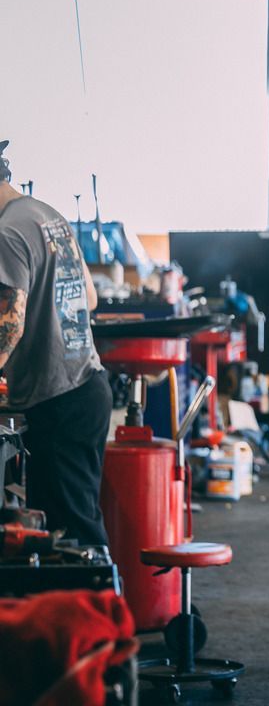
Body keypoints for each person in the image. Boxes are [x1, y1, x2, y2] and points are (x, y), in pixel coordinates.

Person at [0, 140, 111, 546]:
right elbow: (91, 297)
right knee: (64, 534)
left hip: (61, 402)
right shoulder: (47, 215)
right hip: (85, 390)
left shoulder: (7, 232)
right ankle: (87, 607)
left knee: (76, 536)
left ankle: (105, 609)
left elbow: (8, 326)